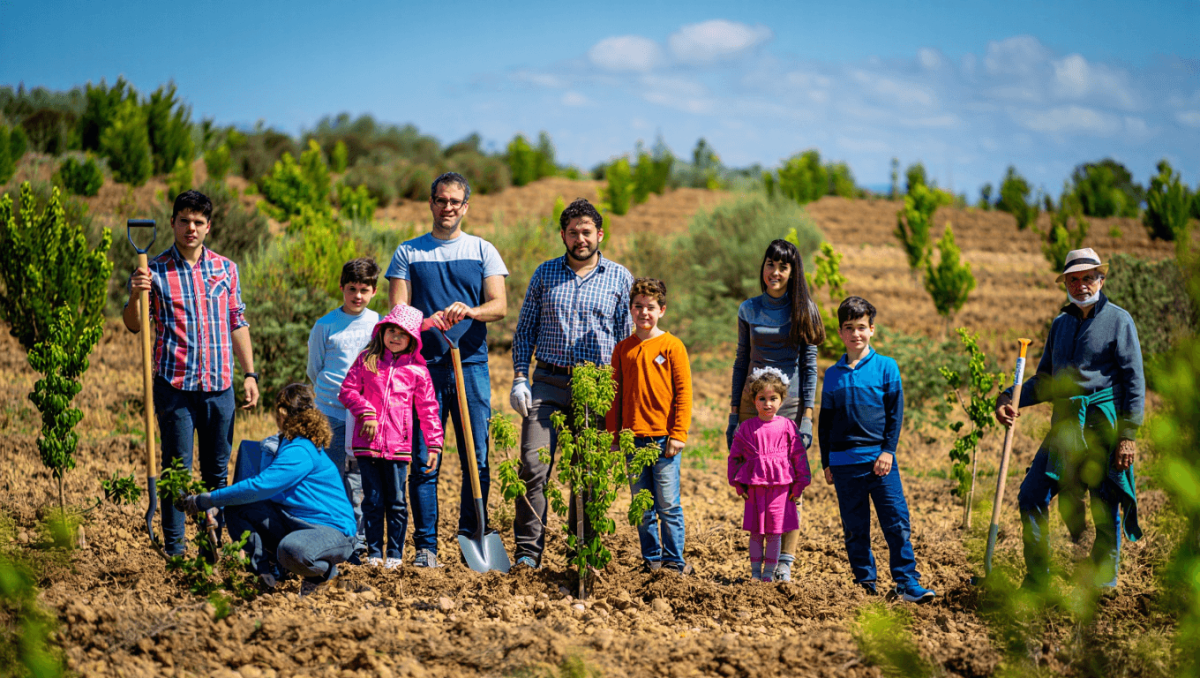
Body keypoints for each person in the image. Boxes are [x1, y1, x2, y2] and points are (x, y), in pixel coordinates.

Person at [995, 248, 1143, 590]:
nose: (1080, 285)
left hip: (1102, 426)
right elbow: (1046, 380)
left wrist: (1128, 435)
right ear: (1065, 283)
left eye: (1087, 278)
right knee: (1031, 495)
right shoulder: (1060, 325)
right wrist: (1008, 395)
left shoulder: (1120, 321)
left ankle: (1103, 581)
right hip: (1065, 426)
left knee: (1105, 505)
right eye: (1073, 279)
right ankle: (1038, 578)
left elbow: (1135, 380)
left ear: (1101, 280)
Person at [123, 189, 259, 558]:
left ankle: (209, 545)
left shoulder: (226, 268)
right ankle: (176, 550)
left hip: (219, 386)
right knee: (176, 473)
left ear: (209, 227)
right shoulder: (152, 270)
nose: (190, 228)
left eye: (198, 222)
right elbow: (135, 325)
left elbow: (238, 321)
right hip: (175, 386)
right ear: (172, 223)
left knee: (217, 475)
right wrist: (136, 294)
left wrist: (250, 374)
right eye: (184, 220)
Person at [386, 172, 508, 569]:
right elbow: (398, 315)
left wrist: (470, 311)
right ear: (431, 203)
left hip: (470, 366)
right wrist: (425, 321)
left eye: (456, 201)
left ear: (465, 206)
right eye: (441, 200)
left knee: (479, 458)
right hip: (423, 371)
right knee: (424, 458)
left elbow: (499, 305)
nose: (448, 207)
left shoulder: (483, 250)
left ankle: (472, 535)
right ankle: (426, 547)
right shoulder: (408, 252)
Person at [510, 197, 633, 569]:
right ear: (563, 235)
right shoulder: (545, 274)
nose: (580, 239)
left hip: (595, 386)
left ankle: (583, 553)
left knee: (588, 473)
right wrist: (519, 376)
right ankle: (528, 553)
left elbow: (627, 342)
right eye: (573, 232)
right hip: (547, 382)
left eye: (587, 232)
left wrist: (623, 396)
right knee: (533, 467)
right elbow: (525, 329)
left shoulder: (620, 278)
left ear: (600, 234)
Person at [182, 383, 355, 597]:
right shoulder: (287, 443)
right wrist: (222, 501)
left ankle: (323, 574)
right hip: (296, 521)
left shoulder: (301, 450)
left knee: (291, 550)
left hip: (333, 531)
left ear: (283, 413)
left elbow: (260, 486)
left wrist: (208, 500)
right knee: (240, 509)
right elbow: (256, 490)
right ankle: (264, 574)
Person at [818, 296, 935, 602]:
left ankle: (907, 582)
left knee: (896, 521)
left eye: (861, 327)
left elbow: (896, 414)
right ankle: (864, 586)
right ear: (841, 332)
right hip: (843, 464)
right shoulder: (832, 375)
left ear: (872, 329)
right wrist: (826, 462)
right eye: (848, 328)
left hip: (879, 461)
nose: (855, 333)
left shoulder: (887, 367)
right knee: (855, 529)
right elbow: (825, 422)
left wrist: (888, 451)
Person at [726, 239, 825, 582]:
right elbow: (742, 361)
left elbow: (810, 366)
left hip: (791, 407)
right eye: (770, 264)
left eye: (783, 267)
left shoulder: (805, 310)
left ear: (793, 271)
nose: (775, 272)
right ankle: (760, 565)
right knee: (757, 485)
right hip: (752, 407)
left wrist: (808, 417)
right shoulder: (749, 309)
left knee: (789, 486)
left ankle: (785, 561)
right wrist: (733, 414)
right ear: (763, 267)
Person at [338, 304, 444, 568]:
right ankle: (374, 552)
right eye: (391, 331)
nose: (395, 337)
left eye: (403, 333)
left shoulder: (418, 371)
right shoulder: (366, 360)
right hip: (367, 444)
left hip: (399, 446)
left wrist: (434, 444)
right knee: (372, 501)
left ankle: (395, 555)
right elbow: (347, 391)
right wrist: (366, 412)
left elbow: (429, 409)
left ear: (412, 339)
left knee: (396, 502)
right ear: (382, 331)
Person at [606, 278, 693, 574]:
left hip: (663, 440)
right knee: (642, 507)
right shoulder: (623, 349)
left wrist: (678, 434)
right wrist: (614, 436)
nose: (644, 313)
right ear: (630, 310)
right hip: (632, 441)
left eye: (651, 307)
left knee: (668, 505)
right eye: (638, 307)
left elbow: (683, 393)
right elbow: (614, 396)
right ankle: (652, 560)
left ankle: (674, 562)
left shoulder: (672, 346)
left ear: (662, 310)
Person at [307, 257, 381, 559]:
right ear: (342, 288)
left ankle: (360, 538)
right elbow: (315, 369)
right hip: (331, 413)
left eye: (364, 289)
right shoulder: (325, 325)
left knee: (361, 479)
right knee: (332, 475)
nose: (358, 296)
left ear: (374, 291)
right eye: (352, 289)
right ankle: (335, 534)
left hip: (365, 416)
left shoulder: (379, 324)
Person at [728, 368, 812, 582]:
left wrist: (800, 484)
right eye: (762, 399)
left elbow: (798, 456)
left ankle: (768, 574)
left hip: (780, 489)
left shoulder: (787, 426)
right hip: (755, 487)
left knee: (775, 532)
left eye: (773, 398)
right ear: (754, 401)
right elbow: (735, 457)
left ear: (782, 399)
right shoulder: (747, 428)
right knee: (756, 531)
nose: (767, 404)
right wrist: (737, 484)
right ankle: (755, 573)